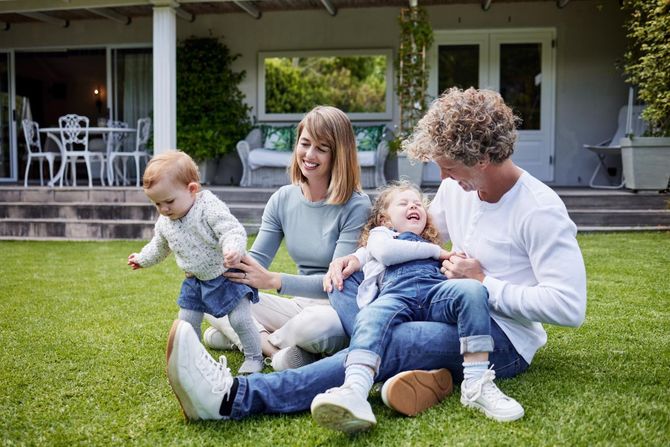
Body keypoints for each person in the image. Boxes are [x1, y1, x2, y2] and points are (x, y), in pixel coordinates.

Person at [163, 87, 586, 426]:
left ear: (483, 157)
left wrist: (484, 284)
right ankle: (422, 372)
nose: (443, 178)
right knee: (348, 280)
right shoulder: (461, 189)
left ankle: (232, 398)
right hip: (438, 307)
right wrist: (360, 257)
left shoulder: (540, 209)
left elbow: (569, 306)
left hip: (498, 337)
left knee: (384, 341)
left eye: (449, 167)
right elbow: (410, 234)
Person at [310, 181, 523, 433]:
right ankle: (355, 389)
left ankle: (475, 382)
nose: (413, 205)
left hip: (435, 291)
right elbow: (385, 252)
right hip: (396, 294)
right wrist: (437, 252)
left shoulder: (426, 242)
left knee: (473, 290)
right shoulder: (382, 236)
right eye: (403, 203)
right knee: (370, 317)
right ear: (384, 219)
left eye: (418, 204)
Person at [202, 105, 371, 370]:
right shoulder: (282, 198)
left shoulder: (357, 205)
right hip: (295, 306)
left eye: (322, 148)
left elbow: (336, 283)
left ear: (339, 155)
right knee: (213, 296)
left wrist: (274, 281)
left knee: (315, 327)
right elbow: (255, 261)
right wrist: (219, 267)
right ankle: (274, 352)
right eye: (305, 143)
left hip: (333, 310)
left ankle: (246, 338)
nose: (309, 155)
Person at [128, 150, 262, 374]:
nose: (163, 209)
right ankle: (195, 359)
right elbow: (159, 247)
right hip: (195, 281)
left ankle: (254, 357)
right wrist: (142, 259)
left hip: (228, 275)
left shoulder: (207, 207)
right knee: (187, 322)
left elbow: (231, 229)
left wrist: (232, 249)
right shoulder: (165, 222)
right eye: (157, 204)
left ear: (192, 189)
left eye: (168, 201)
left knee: (239, 319)